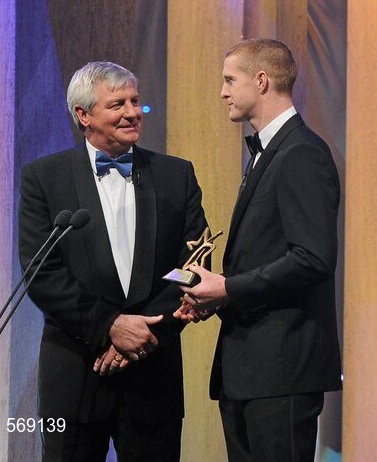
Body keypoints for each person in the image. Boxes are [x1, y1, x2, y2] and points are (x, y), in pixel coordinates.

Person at [19, 62, 206, 461]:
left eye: (135, 101)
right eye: (117, 103)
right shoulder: (44, 178)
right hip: (75, 376)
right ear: (83, 115)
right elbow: (42, 272)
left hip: (154, 376)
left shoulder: (177, 175)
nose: (132, 112)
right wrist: (109, 327)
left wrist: (143, 335)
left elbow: (190, 264)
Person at [175, 38, 341, 462]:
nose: (222, 91)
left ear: (262, 81)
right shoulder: (270, 151)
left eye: (230, 80)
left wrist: (228, 289)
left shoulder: (301, 152)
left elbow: (312, 259)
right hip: (252, 369)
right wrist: (214, 295)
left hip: (282, 369)